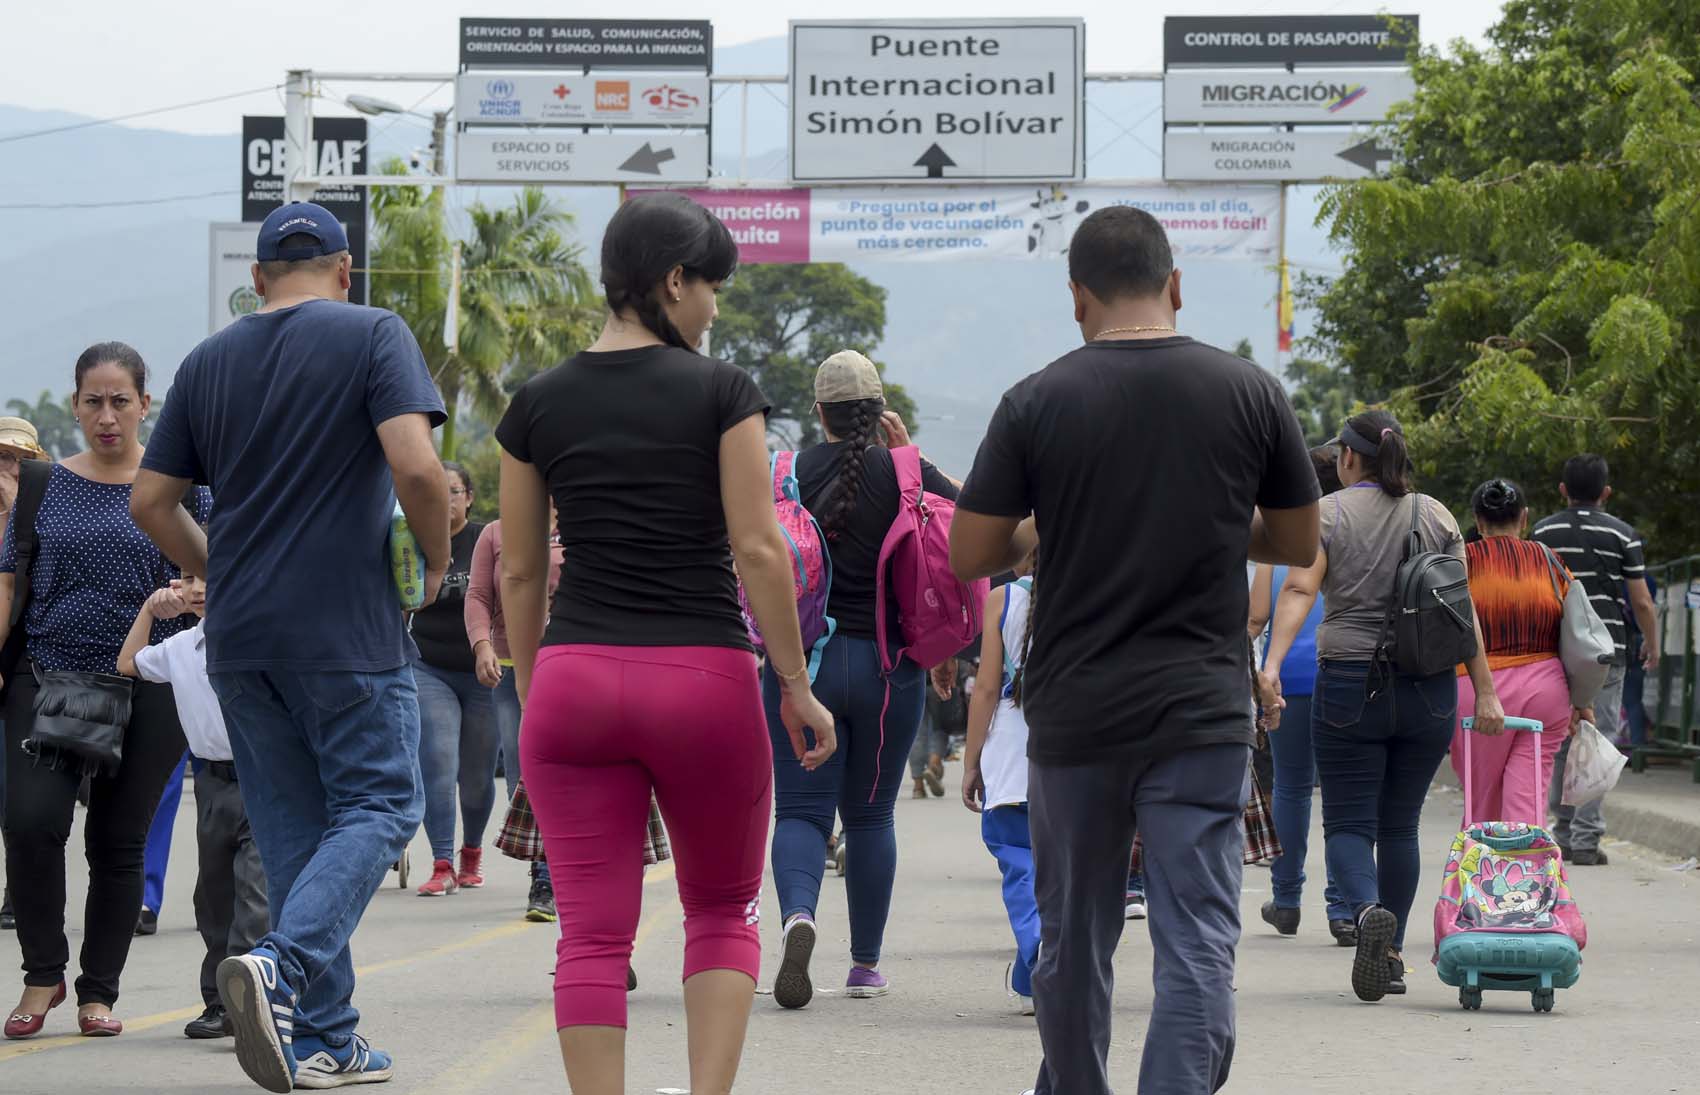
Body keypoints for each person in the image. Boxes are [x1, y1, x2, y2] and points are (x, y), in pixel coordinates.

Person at [948, 206, 1322, 1095]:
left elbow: (971, 552)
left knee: (1073, 935)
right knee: (1196, 936)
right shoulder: (1250, 391)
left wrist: (1049, 532)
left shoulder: (1036, 399)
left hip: (1077, 716)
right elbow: (1297, 539)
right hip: (1200, 712)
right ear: (1177, 286)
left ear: (1077, 297)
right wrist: (1215, 520)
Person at [495, 191, 835, 1095]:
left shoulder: (535, 403)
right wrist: (796, 682)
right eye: (711, 286)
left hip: (573, 675)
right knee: (721, 907)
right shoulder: (722, 392)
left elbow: (520, 575)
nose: (715, 307)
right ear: (672, 280)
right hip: (702, 675)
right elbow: (759, 547)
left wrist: (539, 690)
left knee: (592, 934)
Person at [132, 202, 449, 1091]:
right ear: (346, 271)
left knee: (299, 835)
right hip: (344, 628)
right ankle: (279, 965)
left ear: (261, 278)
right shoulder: (375, 332)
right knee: (384, 805)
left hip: (240, 640)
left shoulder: (207, 360)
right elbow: (418, 468)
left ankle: (326, 1036)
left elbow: (152, 503)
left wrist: (219, 573)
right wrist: (436, 560)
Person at [0, 342, 208, 1039]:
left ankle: (97, 990)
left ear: (146, 404)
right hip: (46, 673)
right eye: (94, 400)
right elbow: (9, 579)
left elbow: (212, 570)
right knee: (30, 822)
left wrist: (188, 594)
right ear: (75, 405)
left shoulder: (180, 486)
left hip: (148, 681)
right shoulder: (39, 484)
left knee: (118, 840)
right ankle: (42, 973)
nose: (107, 414)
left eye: (122, 400)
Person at [1262, 410, 1505, 1005]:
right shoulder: (1438, 513)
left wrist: (1270, 666)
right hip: (1428, 687)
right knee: (1400, 825)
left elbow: (1296, 589)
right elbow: (1461, 610)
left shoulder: (1329, 514)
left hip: (1348, 682)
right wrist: (1488, 689)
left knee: (1348, 822)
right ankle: (1391, 953)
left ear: (1348, 458)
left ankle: (1368, 911)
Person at [764, 350, 960, 1010]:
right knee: (871, 816)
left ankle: (798, 917)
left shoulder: (783, 471)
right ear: (878, 415)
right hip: (886, 669)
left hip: (801, 669)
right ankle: (865, 964)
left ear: (817, 412)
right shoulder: (903, 469)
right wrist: (910, 457)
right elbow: (972, 520)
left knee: (798, 808)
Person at [117, 573, 266, 1040]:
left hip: (264, 777)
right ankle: (219, 1001)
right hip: (212, 781)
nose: (198, 587)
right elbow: (127, 664)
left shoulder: (260, 635)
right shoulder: (180, 647)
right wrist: (148, 610)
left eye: (209, 576)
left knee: (255, 896)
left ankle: (253, 1004)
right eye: (187, 578)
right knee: (213, 898)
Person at [1248, 445, 1354, 945]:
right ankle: (1343, 906)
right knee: (1341, 791)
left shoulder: (1284, 539)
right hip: (1345, 670)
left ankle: (1286, 900)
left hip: (1287, 673)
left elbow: (1255, 616)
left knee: (1290, 786)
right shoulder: (1356, 531)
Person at [1532, 454, 1658, 866]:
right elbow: (1640, 600)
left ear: (1563, 491)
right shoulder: (1623, 535)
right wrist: (1651, 642)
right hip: (1606, 651)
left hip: (1555, 649)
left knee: (1560, 740)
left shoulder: (1542, 533)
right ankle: (1586, 839)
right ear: (1606, 493)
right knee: (1597, 738)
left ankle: (1563, 834)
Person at [1451, 479, 1584, 826]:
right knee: (1527, 806)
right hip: (1546, 692)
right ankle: (1524, 877)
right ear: (1524, 518)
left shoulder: (1460, 563)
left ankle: (1483, 877)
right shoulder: (1551, 562)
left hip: (1477, 691)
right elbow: (1574, 633)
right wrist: (1583, 701)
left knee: (1481, 805)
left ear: (1478, 522)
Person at [465, 515, 565, 921]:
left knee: (571, 776)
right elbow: (477, 596)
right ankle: (544, 876)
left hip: (571, 663)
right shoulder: (496, 532)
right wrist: (482, 645)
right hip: (511, 670)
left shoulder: (586, 518)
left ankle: (562, 876)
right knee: (525, 778)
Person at [410, 461, 498, 898]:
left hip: (484, 670)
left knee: (479, 776)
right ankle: (442, 862)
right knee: (439, 760)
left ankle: (472, 853)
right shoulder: (410, 538)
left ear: (469, 498)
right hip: (429, 666)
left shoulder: (485, 538)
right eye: (437, 491)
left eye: (455, 491)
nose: (446, 500)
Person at [961, 550, 1038, 1017]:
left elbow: (987, 687)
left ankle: (1041, 951)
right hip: (1082, 748)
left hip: (1013, 753)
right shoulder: (1097, 585)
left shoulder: (1002, 599)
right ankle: (1036, 976)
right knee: (1068, 870)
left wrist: (972, 761)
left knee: (1022, 864)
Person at [0, 415, 47, 933]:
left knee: (21, 795)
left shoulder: (36, 513)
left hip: (21, 669)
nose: (5, 468)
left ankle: (20, 891)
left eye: (14, 458)